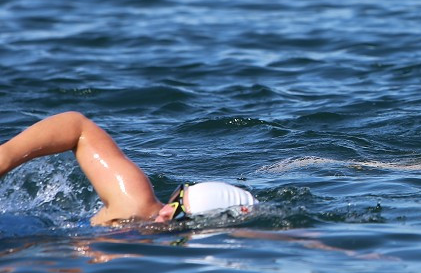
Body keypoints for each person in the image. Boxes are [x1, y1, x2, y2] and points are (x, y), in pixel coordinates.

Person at [0, 112, 256, 225]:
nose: (165, 208)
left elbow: (78, 126)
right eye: (179, 193)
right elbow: (75, 127)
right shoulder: (137, 209)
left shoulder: (137, 208)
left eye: (178, 205)